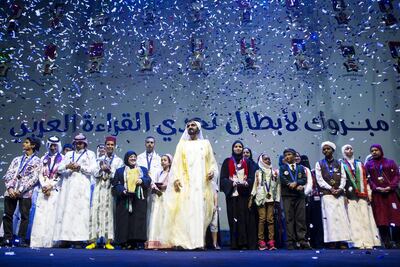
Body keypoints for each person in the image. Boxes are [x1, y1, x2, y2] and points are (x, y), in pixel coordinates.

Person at [160, 119, 219, 250]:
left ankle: (198, 243)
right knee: (184, 213)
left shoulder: (205, 143)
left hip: (201, 185)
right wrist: (175, 178)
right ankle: (182, 242)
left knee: (198, 213)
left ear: (198, 128)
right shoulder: (182, 145)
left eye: (193, 125)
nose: (190, 127)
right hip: (185, 185)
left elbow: (212, 163)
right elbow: (176, 164)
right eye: (188, 125)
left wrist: (212, 172)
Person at [54, 133, 97, 247]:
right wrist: (68, 166)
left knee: (80, 213)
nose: (79, 144)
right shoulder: (68, 154)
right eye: (77, 142)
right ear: (74, 143)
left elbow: (93, 169)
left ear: (85, 143)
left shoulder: (90, 154)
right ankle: (65, 238)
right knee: (67, 212)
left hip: (82, 188)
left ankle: (79, 239)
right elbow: (59, 168)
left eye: (81, 142)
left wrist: (80, 167)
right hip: (68, 187)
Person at [2, 137, 41, 247]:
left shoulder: (37, 161)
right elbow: (8, 174)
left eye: (26, 142)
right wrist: (10, 188)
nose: (24, 144)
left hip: (25, 193)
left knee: (24, 217)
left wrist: (19, 190)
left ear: (33, 146)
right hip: (10, 191)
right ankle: (7, 238)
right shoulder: (16, 159)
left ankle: (21, 239)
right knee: (7, 215)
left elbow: (34, 178)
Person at [86, 136, 124, 250]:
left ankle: (108, 241)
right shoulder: (98, 159)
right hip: (99, 188)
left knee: (109, 214)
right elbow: (93, 173)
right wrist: (101, 169)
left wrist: (110, 171)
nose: (110, 146)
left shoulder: (118, 160)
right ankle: (93, 240)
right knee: (95, 213)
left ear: (115, 146)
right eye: (108, 144)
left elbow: (119, 176)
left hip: (110, 189)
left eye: (112, 145)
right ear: (105, 145)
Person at [340, 144, 381, 249]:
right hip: (349, 195)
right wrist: (343, 194)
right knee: (353, 220)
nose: (349, 150)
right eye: (346, 149)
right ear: (343, 152)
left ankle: (369, 242)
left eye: (350, 148)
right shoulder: (341, 164)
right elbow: (341, 181)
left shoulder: (360, 164)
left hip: (363, 194)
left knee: (366, 219)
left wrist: (369, 192)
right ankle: (356, 242)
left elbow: (367, 180)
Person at [220, 140, 257, 250]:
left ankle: (245, 243)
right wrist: (231, 183)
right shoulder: (227, 161)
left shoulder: (248, 162)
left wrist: (247, 182)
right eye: (236, 146)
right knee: (233, 219)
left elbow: (252, 178)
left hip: (244, 195)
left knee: (245, 219)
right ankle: (235, 244)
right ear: (232, 148)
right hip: (232, 195)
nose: (238, 148)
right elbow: (223, 179)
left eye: (240, 146)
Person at [112, 151, 151, 249]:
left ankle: (137, 241)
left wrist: (142, 181)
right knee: (124, 220)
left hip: (138, 199)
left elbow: (148, 180)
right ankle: (124, 242)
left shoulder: (143, 170)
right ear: (126, 159)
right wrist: (123, 191)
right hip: (124, 199)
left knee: (137, 221)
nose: (133, 158)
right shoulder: (120, 171)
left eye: (134, 156)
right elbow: (116, 184)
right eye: (130, 157)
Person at [315, 141, 350, 249]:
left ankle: (342, 241)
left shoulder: (340, 163)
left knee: (341, 218)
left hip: (339, 194)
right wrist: (330, 188)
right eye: (324, 149)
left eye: (328, 149)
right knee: (329, 218)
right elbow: (319, 179)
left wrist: (340, 188)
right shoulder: (319, 163)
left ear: (333, 150)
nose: (326, 151)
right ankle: (332, 241)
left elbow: (344, 177)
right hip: (327, 194)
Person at [30, 136, 64, 248]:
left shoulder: (63, 159)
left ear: (58, 146)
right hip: (43, 190)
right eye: (51, 145)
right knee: (40, 216)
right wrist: (44, 185)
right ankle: (37, 242)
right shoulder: (43, 158)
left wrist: (51, 185)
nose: (53, 147)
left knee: (52, 216)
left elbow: (61, 175)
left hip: (55, 190)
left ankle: (50, 242)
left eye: (55, 145)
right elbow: (40, 173)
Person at [365, 144, 400, 249]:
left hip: (391, 194)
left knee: (395, 217)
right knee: (381, 218)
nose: (374, 152)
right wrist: (376, 188)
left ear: (381, 150)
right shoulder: (368, 165)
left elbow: (396, 176)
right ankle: (386, 241)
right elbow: (368, 179)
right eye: (372, 151)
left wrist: (390, 186)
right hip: (378, 195)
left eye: (376, 150)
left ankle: (397, 241)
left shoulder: (390, 162)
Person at [279, 148, 311, 250]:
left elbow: (304, 179)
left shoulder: (301, 167)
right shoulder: (282, 168)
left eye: (289, 154)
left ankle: (302, 240)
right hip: (287, 196)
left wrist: (297, 183)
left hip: (299, 196)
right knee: (289, 219)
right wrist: (291, 184)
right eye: (286, 155)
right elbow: (283, 179)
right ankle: (290, 242)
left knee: (300, 219)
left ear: (294, 156)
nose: (287, 157)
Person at [250, 153, 280, 250]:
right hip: (260, 198)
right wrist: (251, 197)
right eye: (266, 159)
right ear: (262, 161)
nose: (268, 160)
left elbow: (278, 186)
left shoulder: (275, 172)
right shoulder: (258, 172)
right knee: (262, 219)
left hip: (271, 198)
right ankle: (261, 241)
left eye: (269, 159)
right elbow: (255, 185)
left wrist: (278, 199)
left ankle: (271, 242)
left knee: (270, 219)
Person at [147, 154, 173, 249]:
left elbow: (174, 185)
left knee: (165, 218)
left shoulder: (172, 173)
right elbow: (153, 182)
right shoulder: (159, 172)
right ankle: (155, 242)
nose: (162, 162)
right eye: (161, 160)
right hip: (158, 197)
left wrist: (166, 187)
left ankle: (165, 242)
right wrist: (154, 187)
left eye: (165, 160)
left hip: (166, 198)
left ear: (169, 162)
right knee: (156, 218)